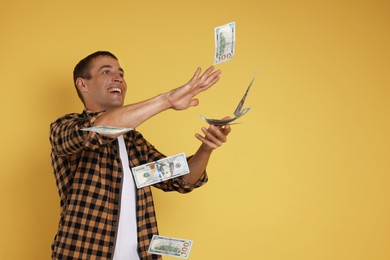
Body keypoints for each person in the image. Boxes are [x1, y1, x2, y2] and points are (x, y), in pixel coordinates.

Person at [49, 51, 231, 260]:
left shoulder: (134, 142)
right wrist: (167, 100)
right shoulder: (65, 127)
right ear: (83, 84)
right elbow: (98, 130)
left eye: (121, 73)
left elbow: (180, 180)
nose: (118, 77)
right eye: (106, 71)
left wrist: (206, 148)